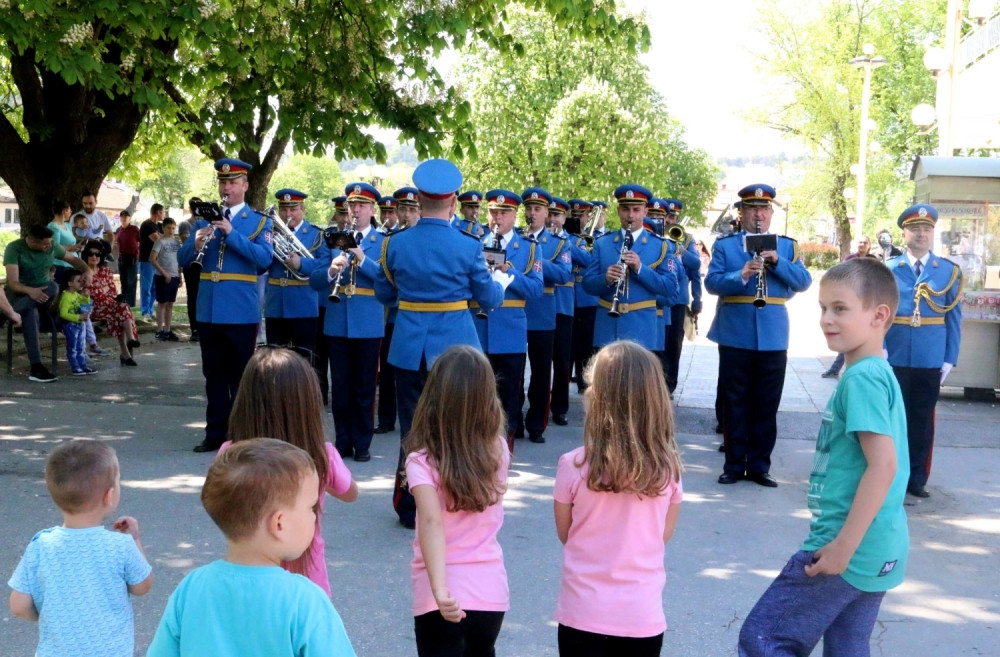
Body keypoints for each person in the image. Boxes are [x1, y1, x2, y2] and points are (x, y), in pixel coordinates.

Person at [739, 257, 909, 656]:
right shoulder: (876, 371)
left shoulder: (863, 377)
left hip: (845, 545)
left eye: (840, 308)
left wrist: (842, 547)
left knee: (764, 639)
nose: (826, 319)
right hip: (881, 544)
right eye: (823, 308)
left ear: (878, 315)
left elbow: (883, 465)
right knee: (848, 645)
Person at [374, 158, 507, 529]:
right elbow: (489, 298)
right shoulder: (467, 246)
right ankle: (456, 498)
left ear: (418, 199)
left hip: (409, 346)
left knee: (412, 429)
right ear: (453, 202)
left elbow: (385, 294)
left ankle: (410, 506)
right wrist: (499, 284)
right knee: (458, 426)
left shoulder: (395, 244)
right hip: (456, 348)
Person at [146, 439, 356, 656]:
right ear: (279, 524)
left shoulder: (191, 587)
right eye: (312, 507)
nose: (315, 515)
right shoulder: (305, 600)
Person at [553, 341, 683, 657]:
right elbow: (661, 536)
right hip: (641, 616)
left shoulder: (572, 465)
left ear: (595, 397)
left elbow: (566, 534)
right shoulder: (669, 470)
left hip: (582, 613)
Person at [218, 347, 358, 595]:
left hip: (249, 579)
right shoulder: (321, 455)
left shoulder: (230, 453)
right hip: (307, 580)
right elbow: (350, 493)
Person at [404, 345, 511, 656]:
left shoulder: (420, 461)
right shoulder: (498, 450)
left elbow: (431, 522)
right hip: (489, 588)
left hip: (440, 591)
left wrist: (440, 588)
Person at [706, 184, 812, 487]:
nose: (759, 215)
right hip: (735, 331)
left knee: (767, 403)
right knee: (734, 402)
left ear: (770, 214)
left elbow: (803, 282)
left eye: (764, 209)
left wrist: (777, 262)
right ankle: (734, 464)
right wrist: (741, 274)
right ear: (741, 213)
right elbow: (712, 283)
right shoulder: (726, 246)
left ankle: (759, 465)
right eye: (752, 209)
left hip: (774, 334)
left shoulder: (787, 246)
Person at [8, 440, 153, 656]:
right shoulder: (120, 545)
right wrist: (135, 539)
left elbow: (19, 605)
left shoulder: (41, 545)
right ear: (109, 496)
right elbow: (142, 586)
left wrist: (49, 617)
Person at [177, 158, 273, 453]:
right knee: (213, 375)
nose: (226, 187)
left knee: (241, 377)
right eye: (222, 182)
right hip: (208, 309)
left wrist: (231, 233)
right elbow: (181, 261)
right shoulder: (204, 222)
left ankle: (243, 433)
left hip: (240, 311)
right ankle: (215, 432)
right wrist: (194, 243)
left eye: (232, 183)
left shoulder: (258, 222)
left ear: (245, 186)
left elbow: (264, 259)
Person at [884, 204, 962, 499]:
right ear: (904, 233)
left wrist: (949, 358)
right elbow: (879, 313)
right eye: (915, 229)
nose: (921, 234)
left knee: (922, 420)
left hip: (931, 357)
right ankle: (890, 474)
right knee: (892, 419)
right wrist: (878, 347)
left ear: (933, 234)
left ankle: (917, 478)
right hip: (895, 354)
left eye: (926, 229)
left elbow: (954, 318)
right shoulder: (890, 270)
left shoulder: (948, 272)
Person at [311, 182, 385, 462]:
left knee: (365, 387)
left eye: (362, 205)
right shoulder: (333, 239)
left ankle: (363, 442)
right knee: (340, 387)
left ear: (372, 209)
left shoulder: (384, 241)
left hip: (368, 322)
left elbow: (388, 280)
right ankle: (342, 441)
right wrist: (331, 269)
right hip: (337, 321)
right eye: (352, 205)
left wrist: (362, 257)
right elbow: (315, 280)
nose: (355, 210)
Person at [473, 189, 543, 450]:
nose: (497, 218)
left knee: (509, 396)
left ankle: (505, 450)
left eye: (503, 213)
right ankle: (478, 449)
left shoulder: (528, 249)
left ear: (514, 216)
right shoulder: (475, 244)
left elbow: (536, 290)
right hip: (478, 329)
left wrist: (510, 271)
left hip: (510, 331)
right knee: (477, 394)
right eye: (493, 212)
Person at [581, 184, 678, 352]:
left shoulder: (660, 246)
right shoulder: (603, 243)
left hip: (642, 329)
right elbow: (588, 284)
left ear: (645, 212)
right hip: (608, 328)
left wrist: (640, 268)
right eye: (626, 209)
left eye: (636, 209)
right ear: (618, 211)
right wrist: (605, 278)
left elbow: (669, 287)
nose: (630, 215)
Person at [519, 186, 572, 444]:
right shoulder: (515, 237)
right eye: (528, 208)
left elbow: (564, 274)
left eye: (537, 209)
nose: (532, 213)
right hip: (516, 309)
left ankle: (537, 424)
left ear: (547, 213)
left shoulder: (559, 243)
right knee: (514, 370)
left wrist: (535, 258)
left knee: (541, 372)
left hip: (543, 311)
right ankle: (512, 420)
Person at [4, 224, 90, 382]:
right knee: (31, 312)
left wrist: (87, 271)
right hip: (19, 294)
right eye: (45, 244)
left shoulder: (52, 246)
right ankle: (36, 367)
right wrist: (30, 291)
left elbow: (74, 260)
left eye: (50, 242)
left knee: (52, 286)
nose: (49, 246)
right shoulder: (15, 248)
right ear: (31, 241)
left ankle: (9, 314)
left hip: (44, 294)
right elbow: (13, 283)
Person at [265, 189, 327, 353]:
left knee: (304, 357)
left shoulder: (316, 235)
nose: (287, 214)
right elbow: (260, 264)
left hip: (304, 304)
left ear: (303, 209)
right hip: (276, 304)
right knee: (275, 358)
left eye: (293, 209)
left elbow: (324, 266)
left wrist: (301, 264)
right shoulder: (269, 233)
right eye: (283, 209)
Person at [548, 196, 589, 426]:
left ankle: (560, 407)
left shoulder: (574, 240)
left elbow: (588, 260)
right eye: (551, 215)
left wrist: (566, 243)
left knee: (563, 359)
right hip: (540, 303)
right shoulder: (537, 239)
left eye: (557, 215)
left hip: (564, 304)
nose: (553, 219)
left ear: (564, 218)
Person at [822, 235, 879, 379]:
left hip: (868, 304)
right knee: (848, 337)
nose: (862, 244)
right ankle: (838, 369)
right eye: (860, 242)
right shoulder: (849, 261)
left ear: (869, 245)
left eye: (865, 242)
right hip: (850, 304)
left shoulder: (875, 261)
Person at [661, 198, 702, 394]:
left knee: (673, 345)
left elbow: (695, 267)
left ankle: (669, 384)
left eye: (673, 217)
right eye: (667, 216)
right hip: (659, 296)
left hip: (678, 299)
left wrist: (697, 299)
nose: (670, 220)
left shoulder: (686, 238)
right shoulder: (654, 234)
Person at [84, 241, 141, 366]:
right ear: (85, 255)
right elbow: (89, 293)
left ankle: (129, 343)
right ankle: (126, 351)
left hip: (110, 305)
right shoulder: (83, 272)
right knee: (120, 312)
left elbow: (113, 290)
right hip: (92, 308)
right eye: (91, 254)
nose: (94, 257)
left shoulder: (106, 271)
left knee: (123, 307)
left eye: (97, 254)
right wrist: (103, 289)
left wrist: (99, 290)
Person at [568, 199, 598, 393]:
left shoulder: (591, 240)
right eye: (575, 216)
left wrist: (568, 246)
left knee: (586, 343)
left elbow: (589, 260)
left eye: (582, 216)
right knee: (569, 342)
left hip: (587, 296)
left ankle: (584, 381)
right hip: (570, 295)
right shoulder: (564, 237)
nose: (578, 219)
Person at [58, 270, 97, 375]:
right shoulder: (66, 296)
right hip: (71, 325)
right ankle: (75, 367)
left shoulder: (76, 294)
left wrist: (86, 297)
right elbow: (63, 313)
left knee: (81, 346)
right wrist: (78, 317)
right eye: (79, 281)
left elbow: (84, 306)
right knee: (73, 346)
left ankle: (83, 365)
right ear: (70, 283)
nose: (82, 283)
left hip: (80, 324)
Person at [151, 217, 182, 341]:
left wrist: (180, 276)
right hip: (162, 276)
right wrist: (164, 273)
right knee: (162, 303)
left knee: (170, 304)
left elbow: (178, 261)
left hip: (174, 276)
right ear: (163, 228)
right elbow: (152, 259)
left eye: (173, 228)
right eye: (168, 228)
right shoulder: (159, 242)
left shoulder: (176, 242)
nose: (171, 230)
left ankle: (168, 329)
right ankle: (159, 330)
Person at [178, 197, 203, 342]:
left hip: (202, 266)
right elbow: (186, 242)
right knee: (193, 296)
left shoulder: (206, 223)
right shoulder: (186, 224)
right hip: (190, 265)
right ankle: (194, 328)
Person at [138, 204, 164, 322]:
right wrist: (162, 237)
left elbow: (165, 238)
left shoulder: (158, 226)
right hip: (147, 260)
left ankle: (150, 310)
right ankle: (145, 312)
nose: (163, 214)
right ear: (157, 212)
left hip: (157, 261)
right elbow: (158, 240)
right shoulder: (147, 225)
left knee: (154, 288)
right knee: (146, 287)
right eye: (162, 212)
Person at [114, 210, 140, 308]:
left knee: (131, 281)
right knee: (123, 280)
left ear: (129, 219)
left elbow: (140, 241)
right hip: (122, 258)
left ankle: (130, 303)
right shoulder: (118, 230)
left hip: (133, 257)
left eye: (126, 217)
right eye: (122, 217)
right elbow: (117, 243)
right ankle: (123, 300)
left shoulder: (135, 229)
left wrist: (137, 252)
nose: (124, 219)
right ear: (120, 218)